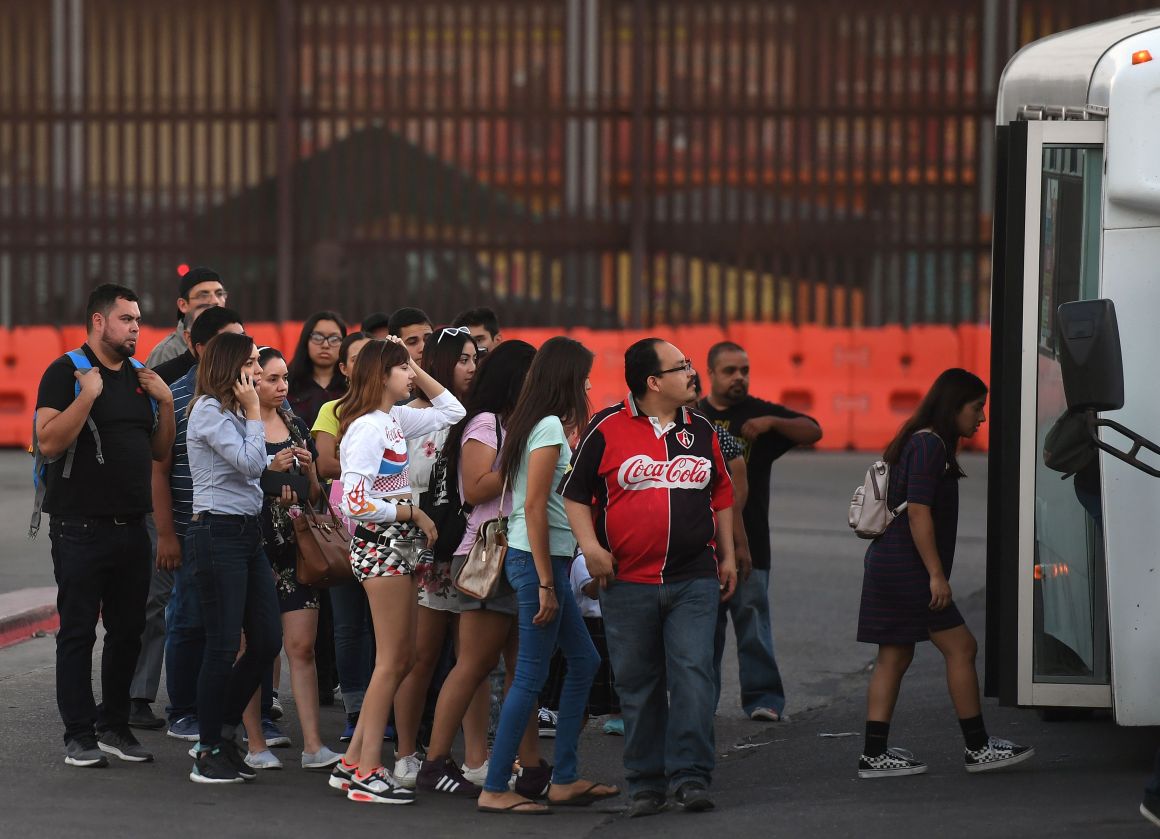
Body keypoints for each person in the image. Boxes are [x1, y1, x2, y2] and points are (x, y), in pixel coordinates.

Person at [562, 338, 736, 816]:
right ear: (653, 382)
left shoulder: (701, 430)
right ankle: (646, 783)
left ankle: (691, 777)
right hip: (628, 583)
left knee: (694, 677)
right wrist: (592, 549)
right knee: (637, 686)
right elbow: (573, 495)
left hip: (694, 579)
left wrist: (729, 556)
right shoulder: (605, 427)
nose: (691, 373)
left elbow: (722, 493)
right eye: (682, 367)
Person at [856, 368, 1033, 778]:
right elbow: (918, 512)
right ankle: (977, 746)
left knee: (895, 655)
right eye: (977, 408)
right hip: (909, 569)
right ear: (953, 407)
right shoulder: (929, 445)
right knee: (962, 648)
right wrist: (936, 575)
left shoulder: (920, 440)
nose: (981, 418)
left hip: (892, 564)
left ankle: (874, 753)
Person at [36, 283, 176, 768]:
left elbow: (159, 451)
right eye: (126, 319)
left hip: (132, 526)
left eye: (137, 319)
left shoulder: (141, 377)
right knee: (77, 632)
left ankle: (113, 725)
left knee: (128, 631)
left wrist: (165, 405)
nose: (136, 327)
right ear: (98, 322)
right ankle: (78, 735)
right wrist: (87, 396)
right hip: (79, 527)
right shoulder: (66, 372)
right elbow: (48, 442)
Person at [477, 336, 618, 816]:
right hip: (538, 562)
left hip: (545, 560)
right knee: (531, 677)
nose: (588, 385)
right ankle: (496, 786)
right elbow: (534, 506)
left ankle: (564, 778)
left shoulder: (539, 424)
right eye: (583, 377)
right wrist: (544, 581)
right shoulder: (549, 427)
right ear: (566, 379)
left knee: (585, 661)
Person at [328, 337, 465, 804]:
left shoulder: (394, 418)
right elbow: (354, 502)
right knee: (392, 660)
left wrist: (409, 363)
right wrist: (410, 514)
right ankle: (367, 771)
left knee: (400, 658)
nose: (412, 375)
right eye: (403, 369)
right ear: (380, 376)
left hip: (398, 550)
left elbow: (452, 411)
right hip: (381, 548)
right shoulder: (367, 427)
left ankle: (352, 762)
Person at [416, 340, 548, 795]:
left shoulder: (519, 424)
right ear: (516, 377)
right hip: (488, 553)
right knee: (473, 663)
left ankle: (531, 766)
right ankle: (435, 761)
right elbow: (474, 489)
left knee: (522, 667)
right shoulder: (485, 423)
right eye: (532, 375)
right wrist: (527, 463)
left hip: (520, 551)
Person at [131, 305, 246, 733]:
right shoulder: (176, 397)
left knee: (232, 627)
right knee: (189, 617)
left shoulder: (247, 395)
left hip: (237, 531)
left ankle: (226, 710)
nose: (239, 352)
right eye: (226, 341)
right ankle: (183, 710)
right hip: (187, 529)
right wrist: (166, 535)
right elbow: (158, 470)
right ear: (199, 348)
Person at [697, 340, 822, 722]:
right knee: (705, 633)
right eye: (730, 371)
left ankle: (763, 699)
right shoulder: (693, 415)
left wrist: (772, 423)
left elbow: (813, 430)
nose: (739, 378)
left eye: (745, 371)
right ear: (711, 374)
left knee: (753, 623)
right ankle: (703, 703)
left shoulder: (758, 415)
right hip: (701, 547)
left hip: (752, 546)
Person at [185, 332, 284, 784]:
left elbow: (254, 466)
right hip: (217, 533)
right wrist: (254, 411)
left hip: (248, 534)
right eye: (252, 363)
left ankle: (223, 732)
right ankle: (208, 749)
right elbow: (249, 463)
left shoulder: (236, 412)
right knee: (223, 644)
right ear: (232, 368)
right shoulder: (208, 410)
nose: (260, 371)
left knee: (266, 639)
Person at [393, 327, 482, 792]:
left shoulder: (478, 419)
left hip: (470, 551)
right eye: (464, 359)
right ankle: (406, 753)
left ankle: (477, 758)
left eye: (475, 359)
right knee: (421, 657)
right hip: (423, 549)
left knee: (474, 657)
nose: (472, 367)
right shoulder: (407, 416)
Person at [248, 346, 343, 772]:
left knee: (301, 646)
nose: (281, 386)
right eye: (272, 379)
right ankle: (254, 742)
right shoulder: (243, 424)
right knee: (252, 647)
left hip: (297, 546)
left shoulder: (295, 423)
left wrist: (305, 473)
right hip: (252, 545)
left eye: (284, 378)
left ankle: (313, 746)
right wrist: (271, 469)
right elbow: (235, 480)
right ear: (252, 381)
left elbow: (318, 495)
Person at [311, 331, 376, 742]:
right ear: (346, 368)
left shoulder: (400, 412)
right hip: (344, 532)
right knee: (349, 626)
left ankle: (384, 711)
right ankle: (356, 713)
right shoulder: (332, 409)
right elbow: (325, 464)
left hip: (389, 532)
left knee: (385, 629)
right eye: (359, 358)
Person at [146, 266, 228, 368]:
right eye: (203, 295)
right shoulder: (167, 352)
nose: (215, 301)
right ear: (183, 305)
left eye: (219, 294)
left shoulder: (234, 343)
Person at [287, 311, 348, 428]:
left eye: (334, 339)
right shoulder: (288, 385)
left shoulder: (352, 387)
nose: (325, 345)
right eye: (317, 337)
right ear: (306, 341)